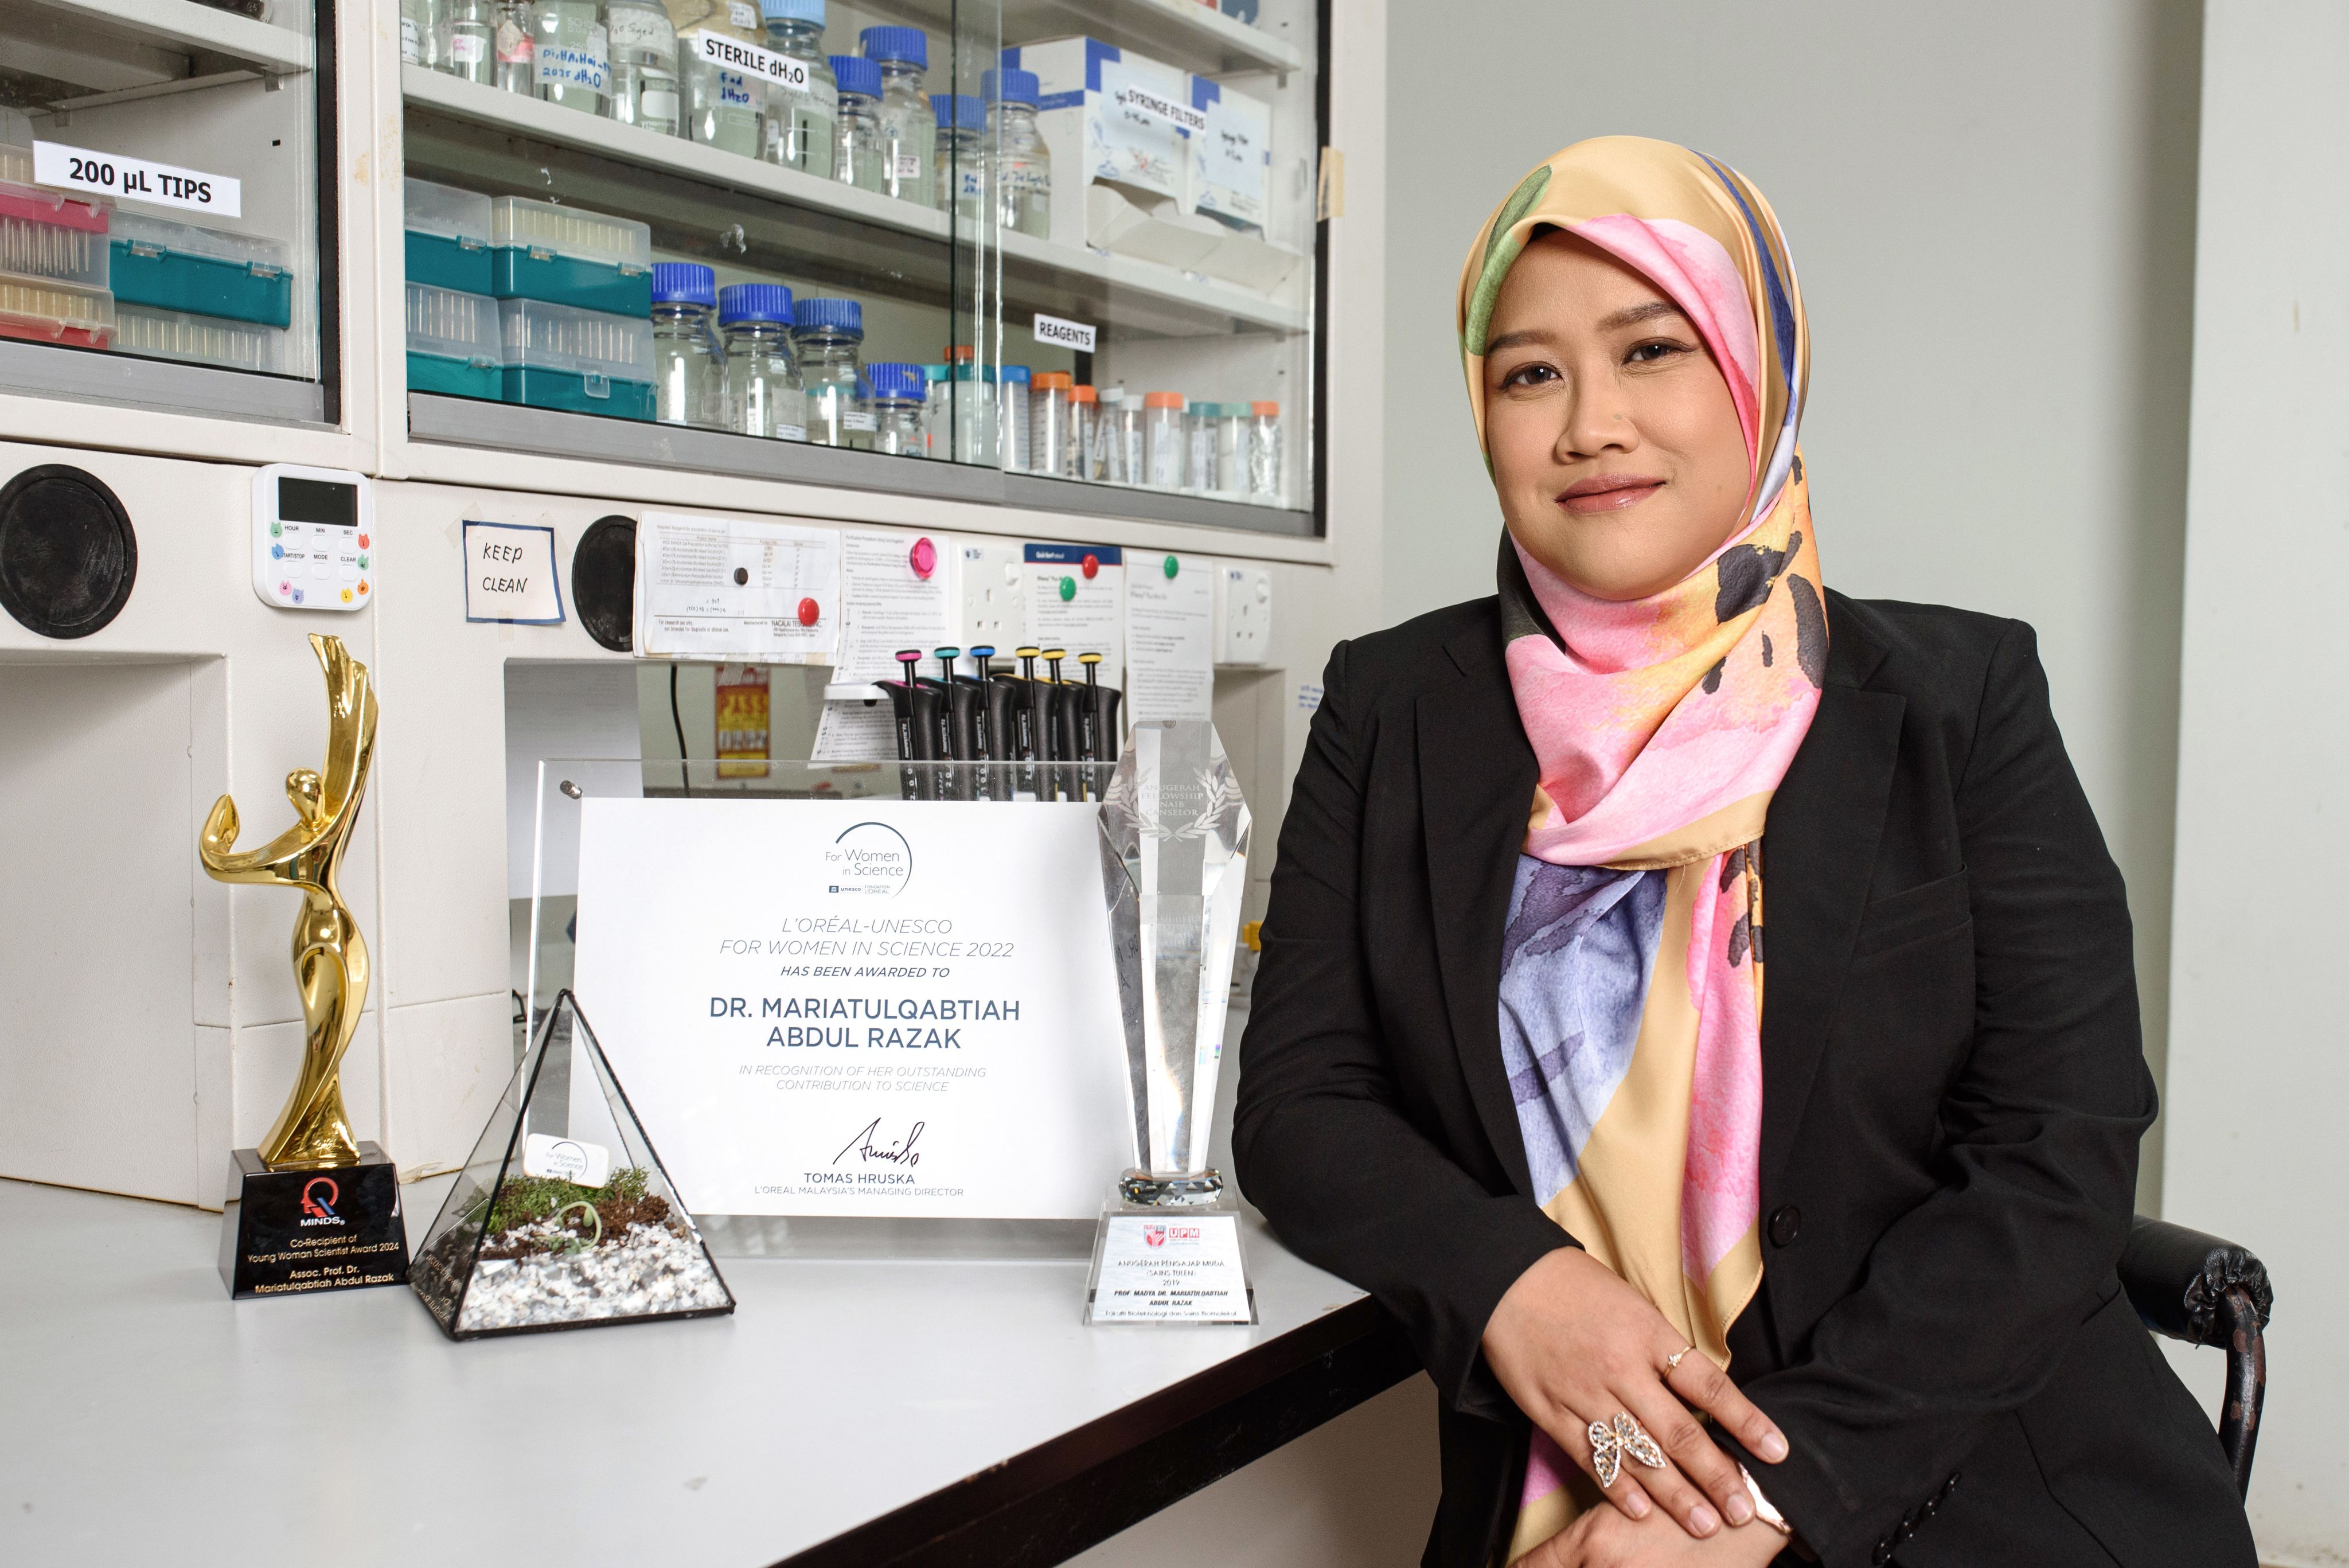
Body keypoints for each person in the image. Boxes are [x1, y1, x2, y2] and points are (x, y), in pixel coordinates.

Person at [1232, 136, 2256, 1568]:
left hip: (1970, 1494)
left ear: (1755, 367)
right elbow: (1300, 1099)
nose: (1589, 422)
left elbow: (2054, 1144)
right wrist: (1516, 1284)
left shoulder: (1957, 704)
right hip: (1564, 1494)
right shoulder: (1394, 708)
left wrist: (1767, 1502)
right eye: (1528, 372)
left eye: (1650, 348)